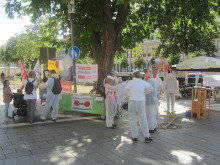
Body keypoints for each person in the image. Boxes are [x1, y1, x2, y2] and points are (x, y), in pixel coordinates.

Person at [124, 69, 153, 143]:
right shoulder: (143, 82)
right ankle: (147, 136)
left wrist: (130, 96)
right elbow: (151, 89)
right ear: (140, 75)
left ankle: (134, 136)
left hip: (132, 102)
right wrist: (144, 93)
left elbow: (125, 91)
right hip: (141, 102)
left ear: (133, 75)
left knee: (132, 119)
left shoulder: (130, 82)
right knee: (143, 119)